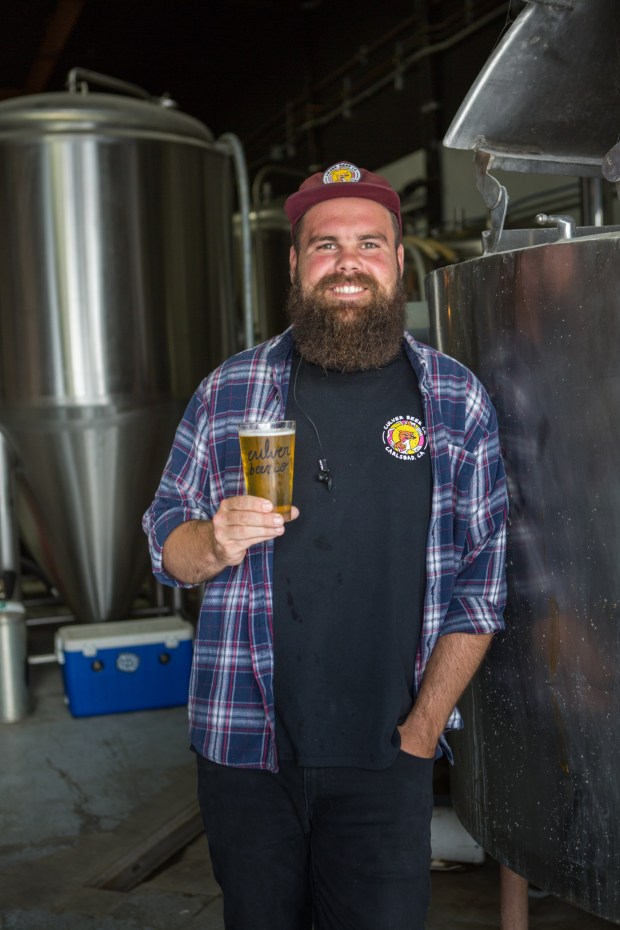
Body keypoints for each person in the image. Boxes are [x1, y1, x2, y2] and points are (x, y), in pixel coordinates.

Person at [142, 161, 508, 930]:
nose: (348, 262)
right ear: (295, 264)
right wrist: (210, 542)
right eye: (325, 244)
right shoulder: (229, 391)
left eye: (369, 243)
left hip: (388, 756)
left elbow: (481, 585)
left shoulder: (454, 401)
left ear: (399, 261)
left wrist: (423, 731)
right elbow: (162, 537)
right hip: (246, 752)